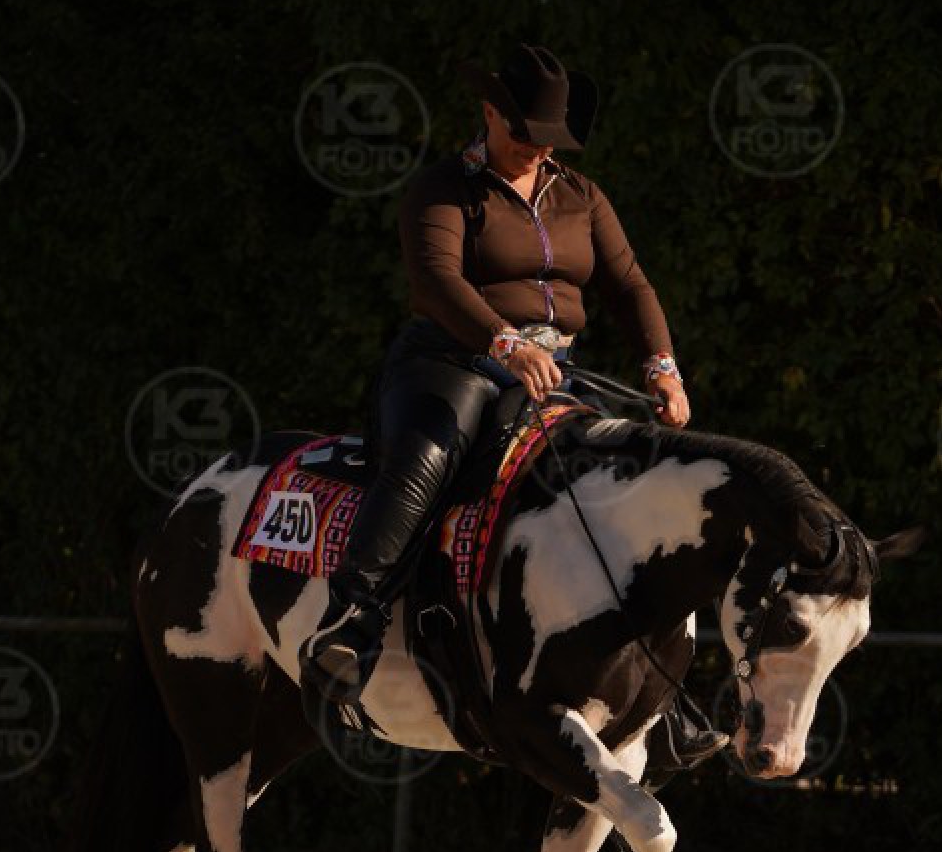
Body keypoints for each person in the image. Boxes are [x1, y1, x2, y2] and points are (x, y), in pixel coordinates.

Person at [300, 44, 725, 765]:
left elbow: (630, 285)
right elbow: (436, 280)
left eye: (550, 138)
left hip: (555, 371)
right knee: (427, 457)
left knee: (634, 473)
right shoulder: (443, 188)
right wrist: (504, 343)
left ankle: (661, 689)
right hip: (452, 361)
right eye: (526, 132)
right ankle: (351, 619)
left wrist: (663, 366)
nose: (539, 148)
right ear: (490, 113)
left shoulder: (582, 195)